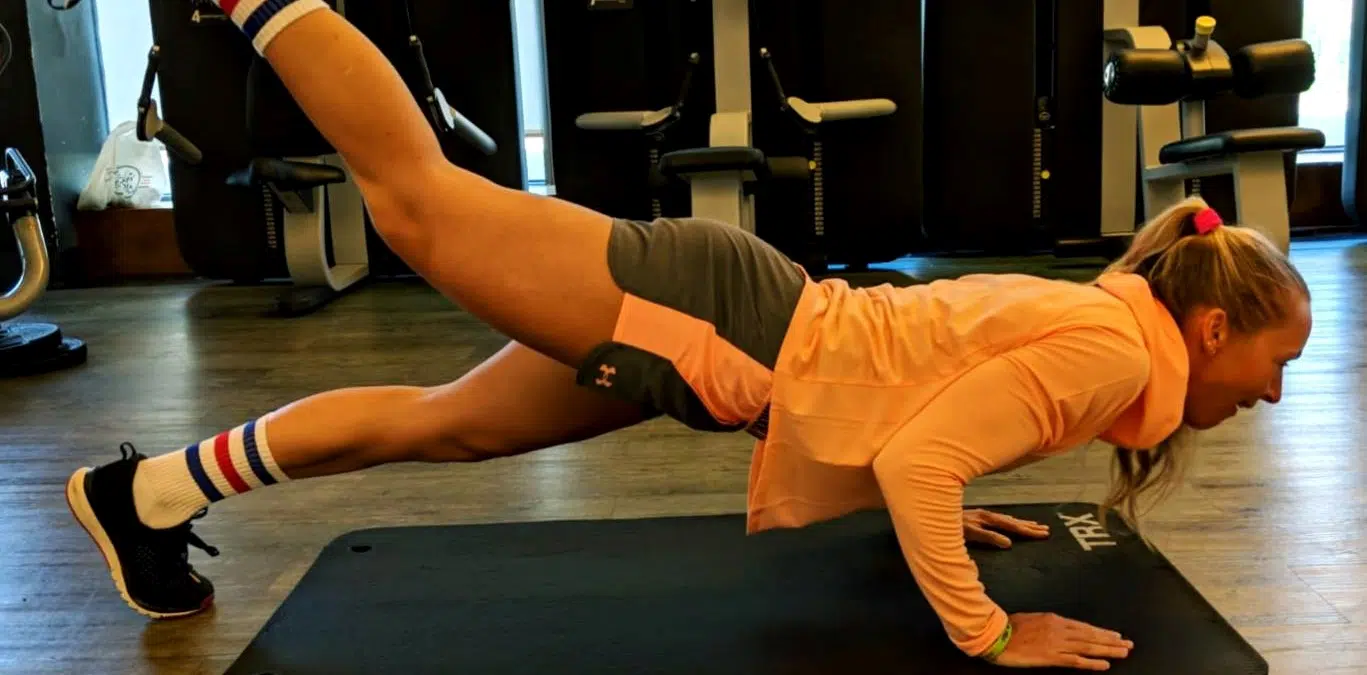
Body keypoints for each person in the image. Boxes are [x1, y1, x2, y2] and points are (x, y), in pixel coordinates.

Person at [64, 1, 1312, 671]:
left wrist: (941, 488)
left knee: (449, 427)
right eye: (1277, 363)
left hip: (723, 340)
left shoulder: (1112, 329)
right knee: (418, 200)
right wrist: (989, 631)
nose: (1271, 392)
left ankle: (149, 493)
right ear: (1212, 327)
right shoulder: (1112, 348)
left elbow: (924, 399)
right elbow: (913, 458)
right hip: (715, 318)